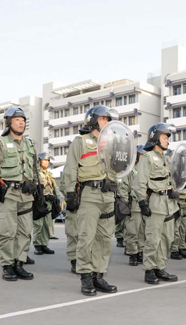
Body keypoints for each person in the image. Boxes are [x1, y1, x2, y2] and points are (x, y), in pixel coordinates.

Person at [64, 105, 119, 295]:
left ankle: (98, 276)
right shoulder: (81, 141)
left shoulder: (111, 143)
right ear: (94, 119)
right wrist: (70, 194)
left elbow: (118, 169)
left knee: (104, 238)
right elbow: (70, 168)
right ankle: (85, 277)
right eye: (104, 118)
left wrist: (118, 194)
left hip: (108, 195)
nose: (107, 122)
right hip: (89, 193)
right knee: (86, 237)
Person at [0, 107, 37, 281]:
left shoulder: (30, 144)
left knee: (25, 231)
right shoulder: (0, 143)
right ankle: (7, 265)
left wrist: (37, 190)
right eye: (17, 119)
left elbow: (35, 169)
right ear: (9, 122)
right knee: (7, 231)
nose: (21, 122)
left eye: (23, 120)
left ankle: (19, 263)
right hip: (8, 193)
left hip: (26, 194)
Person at [132, 123, 179, 285]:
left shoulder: (166, 159)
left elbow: (170, 179)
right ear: (156, 138)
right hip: (155, 203)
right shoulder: (148, 157)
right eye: (165, 138)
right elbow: (140, 182)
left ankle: (160, 267)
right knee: (153, 238)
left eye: (167, 138)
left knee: (167, 237)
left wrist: (173, 190)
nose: (168, 141)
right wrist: (142, 203)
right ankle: (149, 270)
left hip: (168, 204)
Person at [59, 124, 91, 274]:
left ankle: (84, 259)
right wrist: (70, 196)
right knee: (72, 233)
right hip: (74, 200)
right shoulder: (70, 167)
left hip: (87, 200)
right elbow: (64, 184)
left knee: (85, 232)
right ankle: (73, 260)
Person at [119, 145, 146, 266]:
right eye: (142, 155)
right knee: (132, 231)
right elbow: (123, 187)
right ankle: (132, 254)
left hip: (145, 204)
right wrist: (125, 203)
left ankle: (140, 251)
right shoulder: (130, 171)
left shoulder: (146, 171)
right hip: (134, 204)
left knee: (142, 231)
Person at [33, 152, 58, 255]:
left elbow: (54, 187)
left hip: (49, 202)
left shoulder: (49, 174)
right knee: (38, 225)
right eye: (44, 160)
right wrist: (44, 196)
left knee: (47, 225)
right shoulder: (36, 174)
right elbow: (35, 188)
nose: (46, 162)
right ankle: (37, 245)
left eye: (48, 161)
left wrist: (56, 197)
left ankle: (44, 244)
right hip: (39, 202)